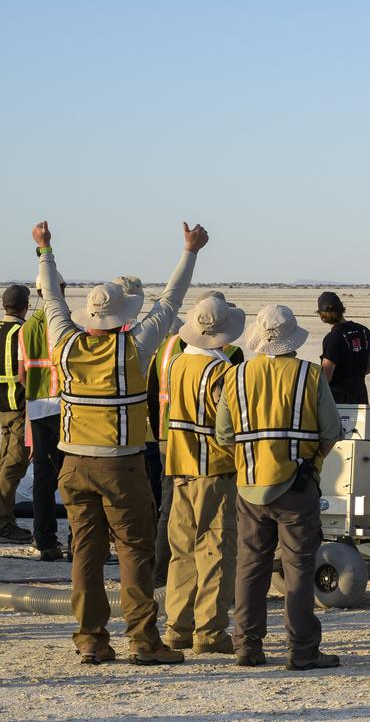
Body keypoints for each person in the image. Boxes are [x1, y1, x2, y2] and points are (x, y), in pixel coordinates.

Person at [33, 219, 206, 665]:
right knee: (134, 552)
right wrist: (189, 251)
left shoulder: (65, 344)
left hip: (73, 465)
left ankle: (91, 638)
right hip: (122, 466)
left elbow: (51, 297)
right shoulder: (133, 349)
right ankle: (144, 640)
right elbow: (171, 301)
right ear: (122, 315)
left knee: (85, 554)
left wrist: (45, 250)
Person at [216, 303, 342, 669]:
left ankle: (247, 646)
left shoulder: (236, 375)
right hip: (297, 486)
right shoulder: (310, 375)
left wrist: (250, 460)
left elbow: (224, 434)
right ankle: (302, 649)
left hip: (250, 486)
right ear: (293, 338)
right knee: (299, 568)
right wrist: (312, 464)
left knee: (250, 567)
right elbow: (331, 431)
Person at [162, 293, 246, 654]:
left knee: (181, 552)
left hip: (179, 470)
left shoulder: (175, 363)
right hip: (214, 471)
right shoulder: (222, 372)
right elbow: (230, 428)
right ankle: (210, 631)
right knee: (214, 552)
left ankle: (177, 628)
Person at [21, 278, 70, 559]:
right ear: (59, 289)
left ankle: (45, 541)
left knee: (42, 476)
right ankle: (78, 541)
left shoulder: (25, 328)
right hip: (63, 407)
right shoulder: (63, 323)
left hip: (38, 408)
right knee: (71, 474)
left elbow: (23, 374)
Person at [147, 315, 185, 584]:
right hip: (194, 441)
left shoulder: (163, 350)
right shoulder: (229, 353)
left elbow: (151, 394)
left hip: (163, 434)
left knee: (168, 504)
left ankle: (160, 573)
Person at [0, 284, 33, 544]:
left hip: (1, 411)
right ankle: (4, 524)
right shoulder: (24, 332)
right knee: (13, 467)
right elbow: (25, 375)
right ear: (25, 305)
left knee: (3, 466)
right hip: (18, 409)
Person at [316, 291, 370, 404]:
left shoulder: (333, 337)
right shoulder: (364, 331)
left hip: (339, 400)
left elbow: (326, 376)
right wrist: (355, 376)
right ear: (342, 309)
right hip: (360, 395)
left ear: (321, 315)